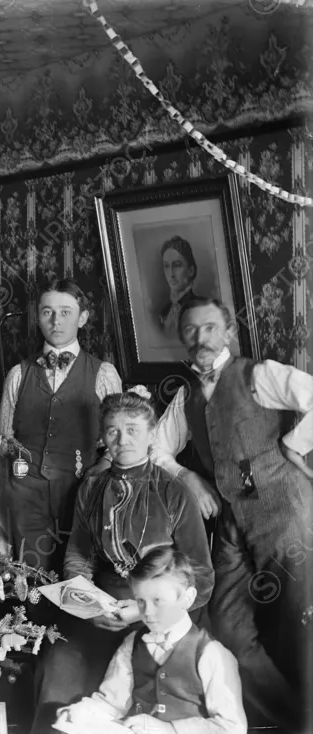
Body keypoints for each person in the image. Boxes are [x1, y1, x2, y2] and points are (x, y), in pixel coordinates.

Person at [151, 296, 313, 732]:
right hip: (233, 523)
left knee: (302, 628)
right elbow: (155, 449)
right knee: (226, 625)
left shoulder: (258, 374)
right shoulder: (185, 396)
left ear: (228, 332)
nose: (200, 338)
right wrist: (188, 476)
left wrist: (293, 447)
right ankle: (288, 719)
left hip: (288, 513)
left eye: (209, 327)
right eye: (190, 330)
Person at [33, 389, 214, 733]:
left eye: (132, 429)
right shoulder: (92, 488)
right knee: (60, 663)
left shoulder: (174, 492)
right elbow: (79, 555)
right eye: (113, 430)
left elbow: (200, 577)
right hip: (103, 608)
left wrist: (145, 610)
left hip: (162, 613)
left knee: (148, 688)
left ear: (150, 435)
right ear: (103, 437)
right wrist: (87, 602)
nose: (122, 439)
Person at [0, 279, 123, 574]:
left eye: (66, 312)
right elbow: (5, 440)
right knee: (32, 577)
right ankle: (33, 618)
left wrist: (100, 468)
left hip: (82, 491)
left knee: (78, 574)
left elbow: (118, 439)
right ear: (38, 316)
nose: (56, 321)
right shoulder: (18, 374)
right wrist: (21, 479)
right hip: (28, 495)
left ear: (83, 318)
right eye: (47, 312)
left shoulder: (103, 373)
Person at [55, 548, 246, 734]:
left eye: (157, 601)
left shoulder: (211, 654)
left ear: (187, 598)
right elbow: (111, 703)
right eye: (140, 601)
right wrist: (80, 714)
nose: (147, 612)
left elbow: (232, 727)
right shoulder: (132, 644)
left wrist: (170, 729)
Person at [156, 236, 198, 340]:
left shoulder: (198, 309)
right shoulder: (164, 312)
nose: (171, 274)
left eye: (177, 265)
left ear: (191, 270)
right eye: (166, 266)